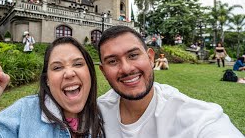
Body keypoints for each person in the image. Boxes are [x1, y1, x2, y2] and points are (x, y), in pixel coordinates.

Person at [0, 37, 105, 137]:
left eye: (78, 64)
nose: (69, 73)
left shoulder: (106, 115)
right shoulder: (25, 113)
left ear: (90, 72)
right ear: (47, 80)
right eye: (57, 67)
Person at [97, 25, 243, 137]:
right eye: (113, 61)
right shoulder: (97, 111)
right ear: (103, 71)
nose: (126, 68)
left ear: (150, 58)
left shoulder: (194, 117)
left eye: (133, 55)